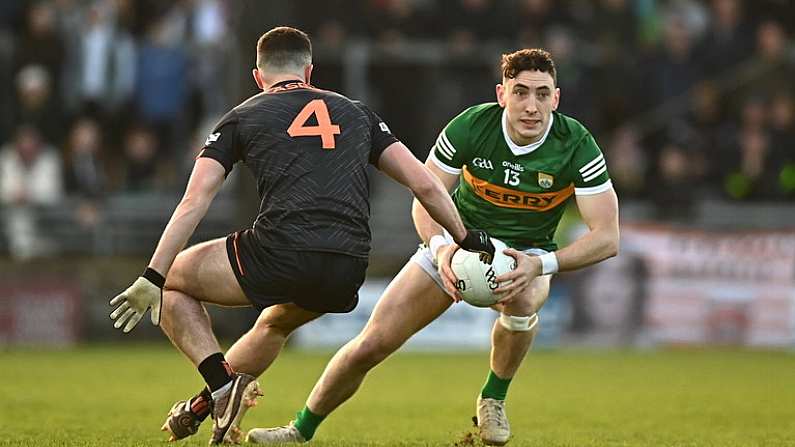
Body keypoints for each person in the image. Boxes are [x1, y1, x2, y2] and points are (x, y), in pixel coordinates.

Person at [108, 26, 493, 445]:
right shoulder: (358, 112)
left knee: (175, 281)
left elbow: (193, 202)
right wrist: (464, 236)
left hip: (283, 251)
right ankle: (204, 405)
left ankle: (221, 387)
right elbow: (425, 184)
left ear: (259, 77)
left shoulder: (243, 115)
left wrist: (153, 275)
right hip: (347, 266)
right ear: (310, 71)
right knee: (274, 323)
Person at [244, 48, 620, 446]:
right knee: (370, 345)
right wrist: (442, 249)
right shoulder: (471, 126)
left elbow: (607, 237)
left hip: (523, 256)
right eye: (521, 92)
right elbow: (426, 195)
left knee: (526, 300)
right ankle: (298, 431)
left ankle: (492, 398)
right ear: (501, 94)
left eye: (542, 94)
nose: (531, 106)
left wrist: (541, 264)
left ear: (556, 98)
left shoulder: (576, 144)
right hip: (456, 243)